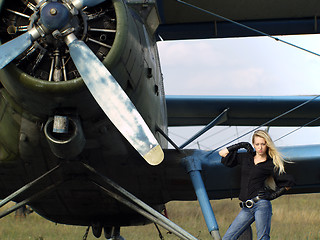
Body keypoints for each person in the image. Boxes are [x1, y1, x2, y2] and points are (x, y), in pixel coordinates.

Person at [219, 130, 295, 240]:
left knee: (263, 238)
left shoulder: (270, 164)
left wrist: (271, 196)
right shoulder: (246, 158)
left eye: (263, 144)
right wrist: (242, 145)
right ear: (253, 144)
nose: (260, 147)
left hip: (261, 205)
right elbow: (223, 154)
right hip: (246, 208)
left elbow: (289, 182)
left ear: (267, 145)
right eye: (257, 144)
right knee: (227, 238)